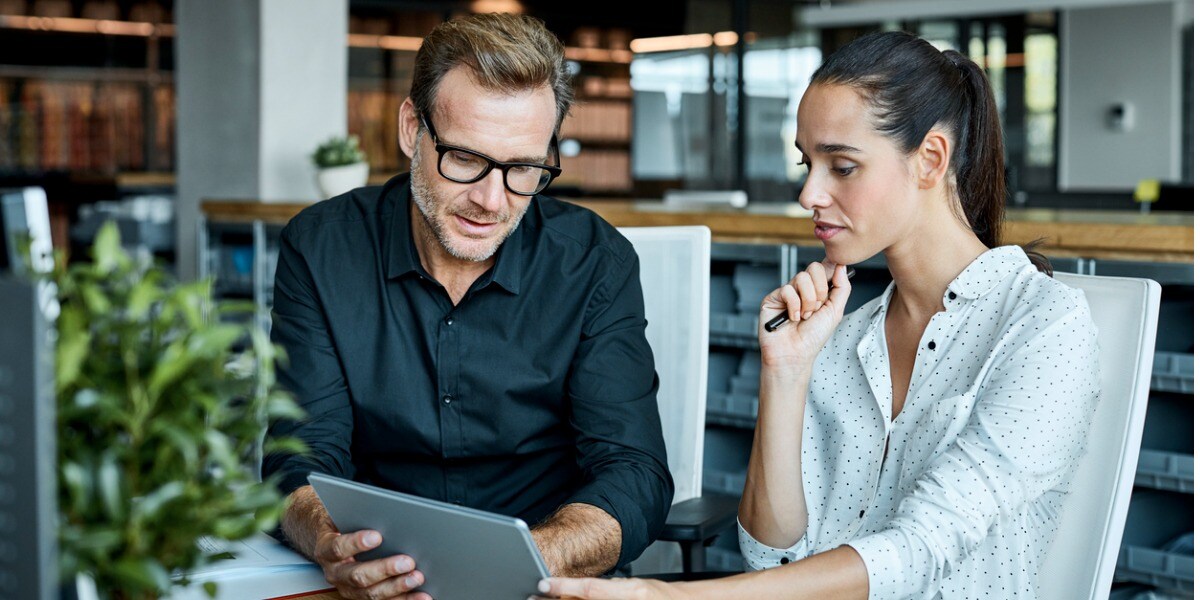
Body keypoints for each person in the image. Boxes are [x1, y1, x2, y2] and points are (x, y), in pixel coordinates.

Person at [538, 30, 1101, 600]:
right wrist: (785, 373)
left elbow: (924, 546)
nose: (809, 193)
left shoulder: (1045, 325)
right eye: (808, 163)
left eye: (843, 166)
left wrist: (677, 597)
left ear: (930, 159)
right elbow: (770, 551)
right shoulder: (844, 334)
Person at [262, 13, 673, 600]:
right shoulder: (321, 248)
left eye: (523, 169)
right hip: (373, 580)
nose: (490, 200)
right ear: (412, 128)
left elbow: (634, 474)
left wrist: (524, 560)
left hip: (542, 582)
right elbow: (297, 458)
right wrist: (333, 543)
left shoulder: (594, 263)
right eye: (464, 158)